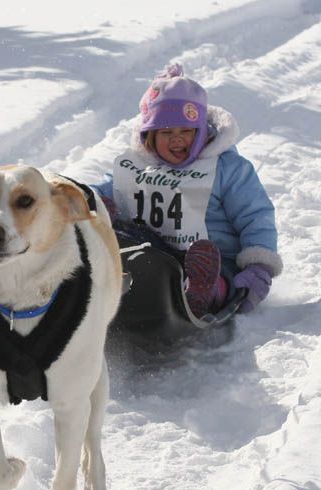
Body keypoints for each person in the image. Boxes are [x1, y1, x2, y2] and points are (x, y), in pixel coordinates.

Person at [91, 63, 282, 317]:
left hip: (211, 259)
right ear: (149, 136)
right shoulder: (137, 166)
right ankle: (95, 284)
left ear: (202, 132)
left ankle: (205, 292)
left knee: (212, 268)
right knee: (112, 234)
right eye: (167, 132)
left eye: (186, 131)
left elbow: (254, 215)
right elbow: (105, 186)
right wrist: (92, 200)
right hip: (148, 253)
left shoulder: (227, 169)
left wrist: (259, 266)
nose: (177, 138)